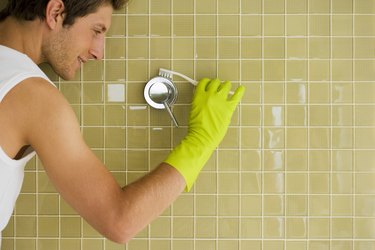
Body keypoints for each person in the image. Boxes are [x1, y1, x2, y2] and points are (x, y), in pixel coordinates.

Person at [0, 0, 245, 246]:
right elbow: (119, 220)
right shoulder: (33, 97)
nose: (99, 52)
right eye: (96, 30)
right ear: (55, 12)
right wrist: (201, 140)